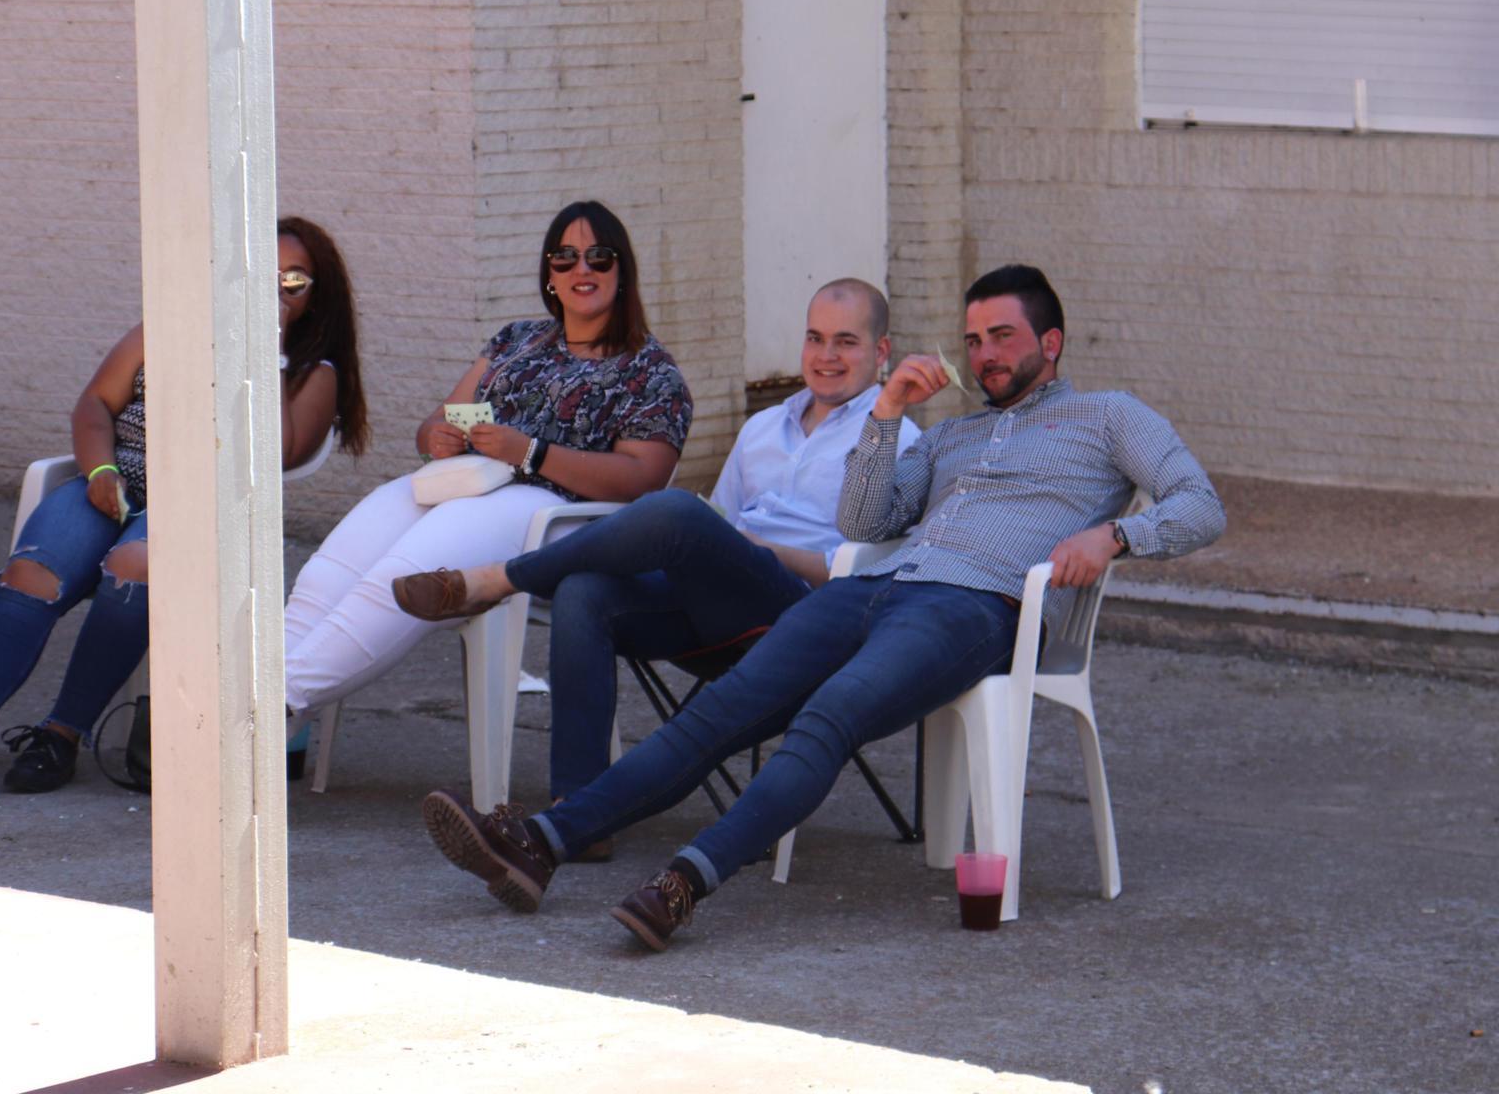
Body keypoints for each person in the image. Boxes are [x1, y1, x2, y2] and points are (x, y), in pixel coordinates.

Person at [420, 264, 1226, 951]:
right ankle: (545, 841)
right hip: (874, 588)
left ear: (1050, 343)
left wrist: (1115, 535)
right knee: (724, 710)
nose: (985, 354)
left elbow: (1200, 504)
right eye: (974, 339)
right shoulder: (952, 438)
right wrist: (886, 415)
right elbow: (865, 523)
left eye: (1003, 337)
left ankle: (687, 880)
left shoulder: (1110, 417)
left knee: (826, 717)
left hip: (976, 609)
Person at [392, 277, 919, 817]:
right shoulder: (763, 427)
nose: (826, 356)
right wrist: (728, 540)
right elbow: (722, 523)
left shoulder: (897, 439)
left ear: (881, 352)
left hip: (803, 615)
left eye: (846, 342)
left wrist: (759, 547)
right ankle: (578, 808)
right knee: (583, 592)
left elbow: (874, 573)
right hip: (716, 609)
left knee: (676, 511)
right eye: (815, 338)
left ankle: (501, 578)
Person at [0, 217, 369, 802]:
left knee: (133, 567)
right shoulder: (168, 329)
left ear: (316, 294)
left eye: (293, 280)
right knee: (30, 574)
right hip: (113, 482)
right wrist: (100, 470)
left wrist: (270, 349)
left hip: (200, 501)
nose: (275, 290)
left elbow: (281, 452)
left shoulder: (315, 373)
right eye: (260, 275)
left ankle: (61, 735)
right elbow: (95, 402)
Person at [281, 200, 691, 724]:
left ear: (622, 270)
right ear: (549, 274)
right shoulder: (516, 341)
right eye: (565, 258)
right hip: (468, 483)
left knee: (399, 573)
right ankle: (256, 688)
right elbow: (436, 421)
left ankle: (277, 704)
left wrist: (532, 453)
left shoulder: (650, 371)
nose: (581, 269)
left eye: (599, 257)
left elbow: (643, 479)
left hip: (558, 513)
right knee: (332, 571)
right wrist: (439, 438)